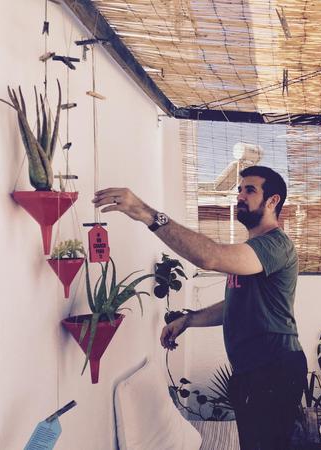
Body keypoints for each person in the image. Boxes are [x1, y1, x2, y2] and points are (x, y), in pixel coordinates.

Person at [93, 165, 306, 450]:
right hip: (253, 371)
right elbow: (236, 305)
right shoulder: (253, 250)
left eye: (250, 190)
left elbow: (210, 257)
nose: (240, 196)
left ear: (273, 201)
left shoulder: (275, 245)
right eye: (239, 190)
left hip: (274, 369)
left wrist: (146, 213)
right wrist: (189, 319)